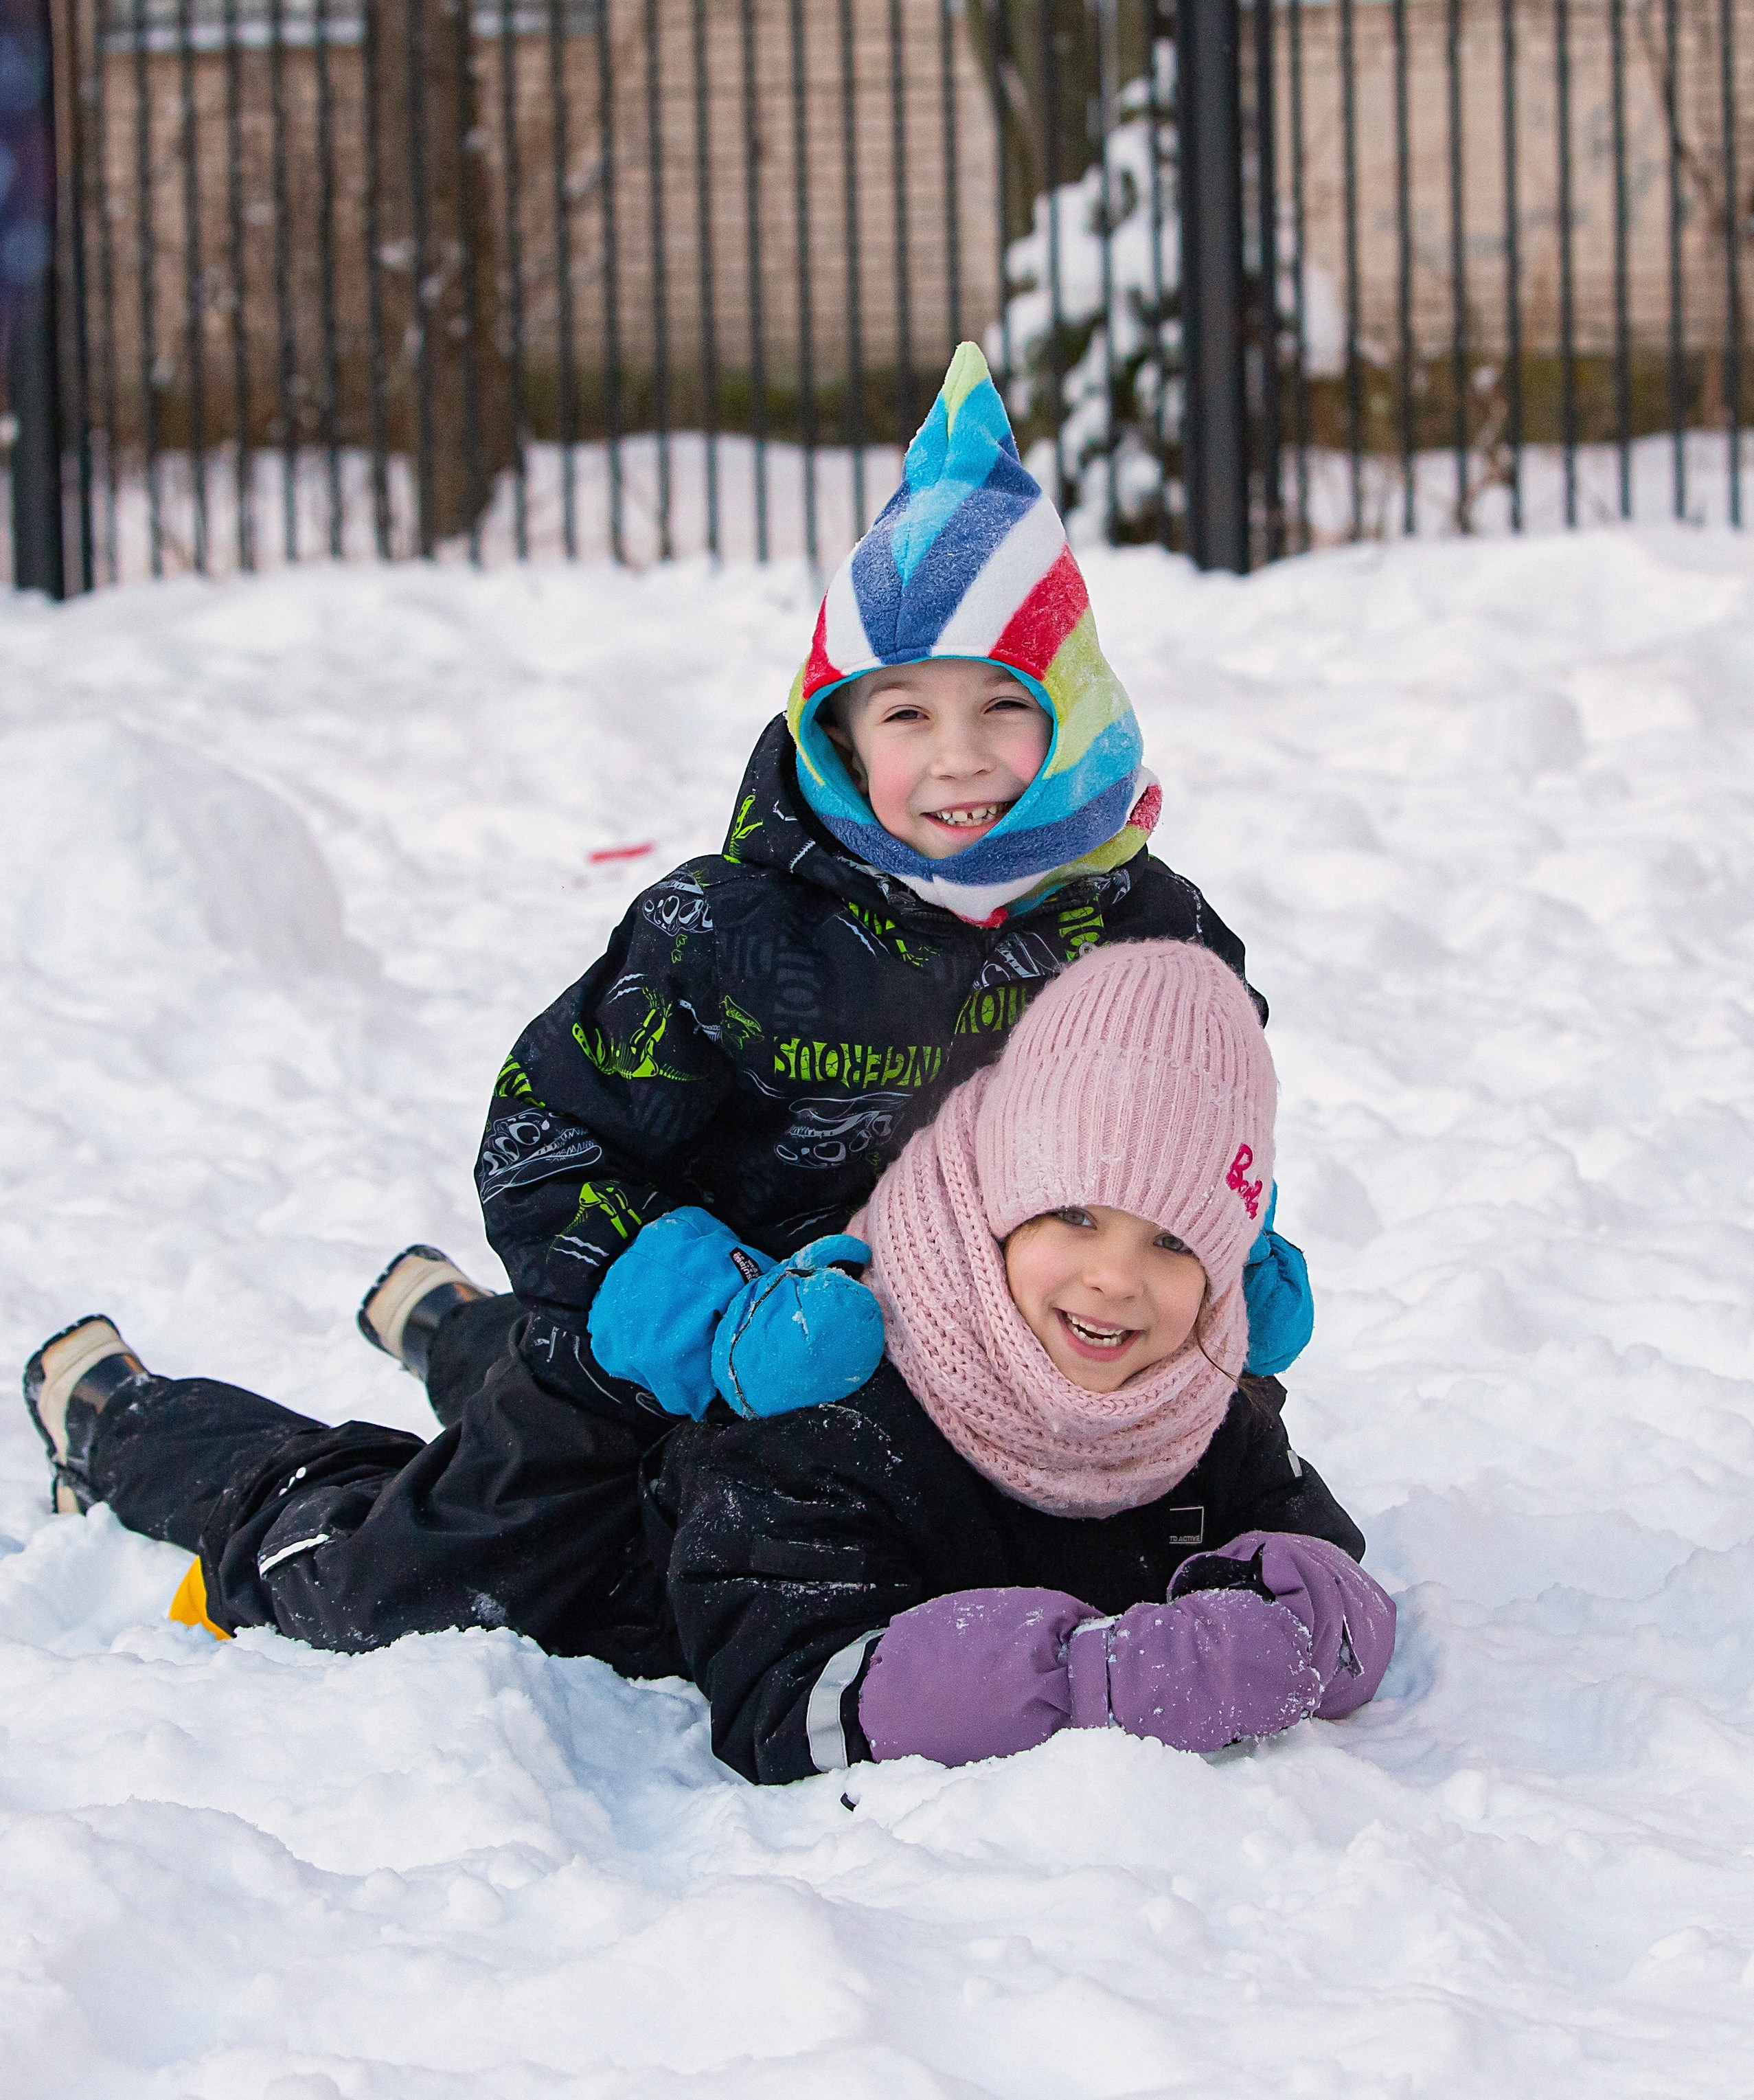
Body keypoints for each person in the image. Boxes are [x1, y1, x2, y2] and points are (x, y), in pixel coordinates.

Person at [19, 345, 1310, 1673]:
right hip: (675, 1372)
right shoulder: (730, 933)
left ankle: (453, 1327)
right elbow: (546, 1140)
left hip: (973, 1397)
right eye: (905, 709)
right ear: (839, 730)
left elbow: (1202, 1113)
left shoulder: (1147, 927)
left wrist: (1229, 1243)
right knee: (386, 1598)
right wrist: (705, 1325)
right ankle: (142, 1426)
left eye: (1003, 703)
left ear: (1073, 709)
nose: (958, 754)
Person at [648, 940, 1395, 1783]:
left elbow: (1334, 1588)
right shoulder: (837, 1411)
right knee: (504, 1372)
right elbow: (791, 1703)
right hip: (611, 1523)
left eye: (1172, 1240)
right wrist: (1093, 1682)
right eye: (1074, 1214)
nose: (1114, 1277)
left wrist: (1284, 1629)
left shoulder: (1204, 1405)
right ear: (994, 1207)